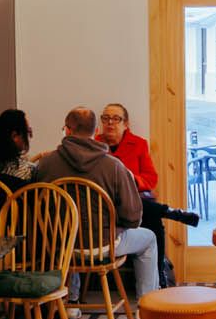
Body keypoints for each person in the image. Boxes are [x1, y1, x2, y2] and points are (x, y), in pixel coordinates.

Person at [30, 105, 163, 298]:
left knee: (69, 229)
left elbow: (37, 208)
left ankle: (70, 300)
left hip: (60, 244)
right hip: (104, 245)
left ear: (67, 130)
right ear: (96, 131)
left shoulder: (46, 164)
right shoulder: (114, 166)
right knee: (150, 238)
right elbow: (133, 218)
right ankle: (147, 303)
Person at [96, 102, 196, 285]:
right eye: (105, 118)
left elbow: (151, 179)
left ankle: (159, 276)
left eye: (116, 119)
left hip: (132, 204)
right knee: (153, 211)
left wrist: (131, 180)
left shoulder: (139, 144)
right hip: (104, 207)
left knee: (152, 221)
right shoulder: (94, 145)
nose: (110, 123)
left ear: (126, 124)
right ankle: (170, 211)